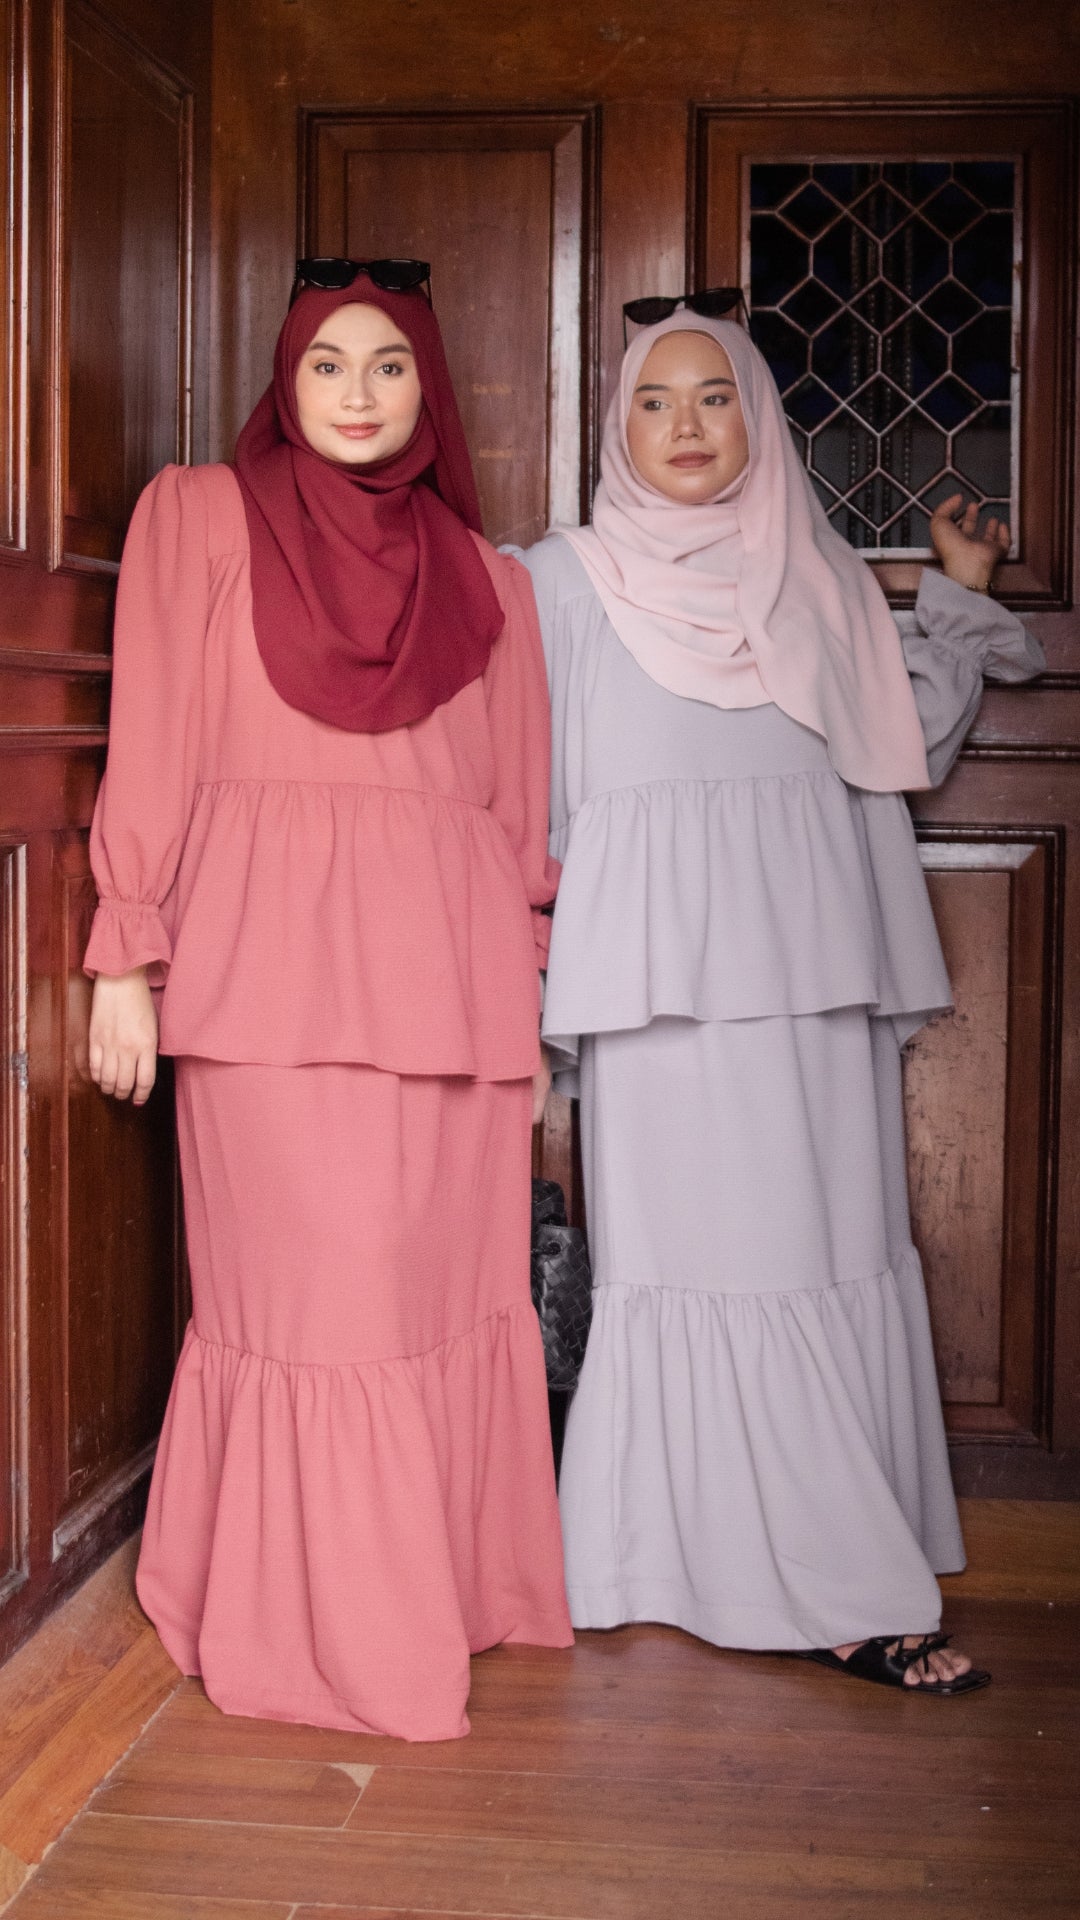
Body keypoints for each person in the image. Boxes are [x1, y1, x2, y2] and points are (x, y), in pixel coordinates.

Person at [516, 310, 1044, 1694]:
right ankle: (689, 1564)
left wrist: (954, 600)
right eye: (655, 403)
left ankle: (829, 1559)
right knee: (698, 1265)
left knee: (819, 1249)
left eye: (718, 398)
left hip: (812, 977)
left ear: (758, 418)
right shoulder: (560, 583)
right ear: (618, 429)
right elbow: (513, 778)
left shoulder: (820, 576)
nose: (687, 426)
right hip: (659, 993)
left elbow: (900, 743)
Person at [85, 262, 572, 1740]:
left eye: (390, 366)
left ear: (431, 388)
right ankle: (319, 1631)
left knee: (436, 1296)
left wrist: (527, 1008)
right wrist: (126, 954)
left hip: (455, 989)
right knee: (315, 1297)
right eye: (327, 365)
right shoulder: (197, 518)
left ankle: (440, 1596)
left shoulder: (490, 581)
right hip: (265, 976)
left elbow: (516, 816)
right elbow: (152, 738)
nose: (359, 394)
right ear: (284, 383)